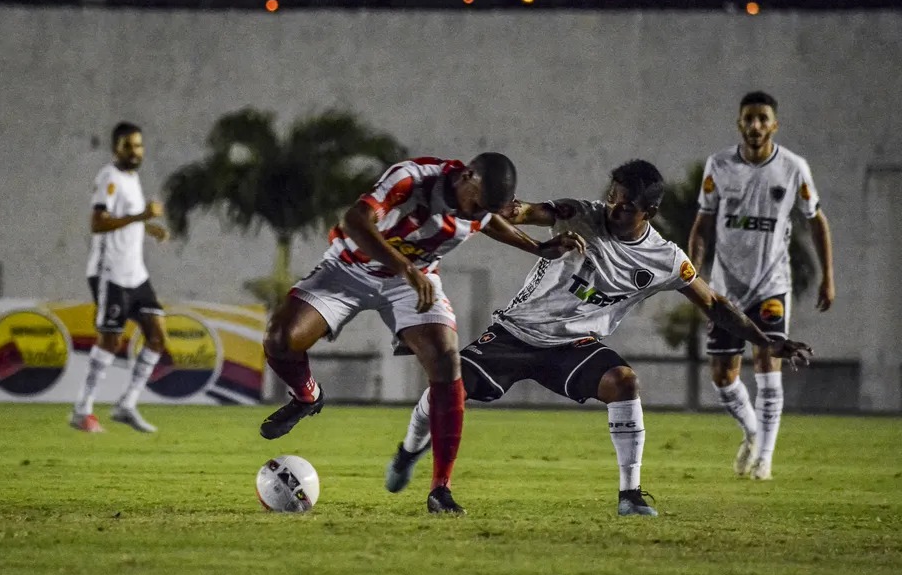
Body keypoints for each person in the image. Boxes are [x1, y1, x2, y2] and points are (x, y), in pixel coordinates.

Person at [384, 159, 813, 516]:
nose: (613, 208)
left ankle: (630, 495)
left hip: (575, 347)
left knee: (624, 381)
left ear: (650, 211)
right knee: (449, 386)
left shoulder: (667, 259)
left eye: (625, 206)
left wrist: (767, 341)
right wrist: (495, 204)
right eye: (612, 196)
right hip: (514, 334)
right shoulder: (579, 213)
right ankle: (409, 451)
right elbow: (523, 212)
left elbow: (715, 304)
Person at [260, 153, 584, 514]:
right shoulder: (412, 178)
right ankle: (307, 397)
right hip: (351, 269)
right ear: (467, 177)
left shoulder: (479, 208)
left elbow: (489, 221)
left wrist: (537, 248)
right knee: (280, 339)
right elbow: (355, 220)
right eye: (477, 204)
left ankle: (440, 489)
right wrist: (404, 267)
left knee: (447, 365)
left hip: (414, 282)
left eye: (486, 209)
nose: (477, 214)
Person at [688, 91, 835, 480]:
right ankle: (753, 432)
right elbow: (703, 224)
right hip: (724, 289)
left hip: (771, 284)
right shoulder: (718, 165)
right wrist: (692, 276)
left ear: (774, 124)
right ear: (739, 123)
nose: (755, 125)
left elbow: (816, 220)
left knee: (769, 363)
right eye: (748, 119)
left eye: (762, 118)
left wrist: (827, 277)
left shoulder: (792, 167)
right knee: (722, 376)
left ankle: (765, 460)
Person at [71, 122, 171, 433]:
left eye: (139, 145)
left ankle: (127, 404)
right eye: (129, 146)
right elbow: (98, 223)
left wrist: (146, 227)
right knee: (111, 341)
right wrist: (142, 216)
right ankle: (82, 409)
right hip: (110, 273)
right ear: (116, 148)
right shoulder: (109, 178)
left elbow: (121, 219)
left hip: (136, 273)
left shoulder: (132, 178)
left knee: (157, 336)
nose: (136, 151)